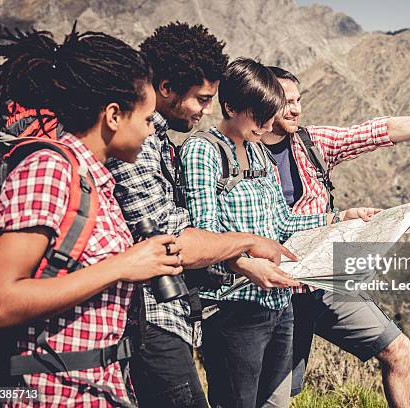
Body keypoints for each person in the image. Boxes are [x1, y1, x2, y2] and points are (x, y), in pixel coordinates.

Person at [261, 66, 410, 408]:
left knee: (398, 350)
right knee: (276, 396)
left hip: (325, 284)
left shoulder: (312, 143)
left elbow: (376, 131)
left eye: (298, 100)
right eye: (286, 102)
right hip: (275, 289)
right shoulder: (244, 153)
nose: (295, 109)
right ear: (263, 102)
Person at [0, 26, 182, 407]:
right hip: (50, 396)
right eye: (147, 118)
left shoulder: (94, 181)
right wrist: (123, 266)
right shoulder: (49, 170)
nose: (151, 131)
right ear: (114, 116)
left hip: (96, 393)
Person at [106, 23, 297, 408]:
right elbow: (175, 238)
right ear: (166, 89)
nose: (207, 110)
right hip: (147, 315)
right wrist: (247, 245)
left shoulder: (159, 141)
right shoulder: (139, 146)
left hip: (168, 314)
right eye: (201, 99)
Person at [181, 57, 377, 408]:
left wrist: (340, 218)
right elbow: (203, 234)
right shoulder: (203, 151)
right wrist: (243, 264)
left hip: (279, 305)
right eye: (260, 115)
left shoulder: (259, 152)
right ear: (230, 107)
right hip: (234, 309)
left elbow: (283, 224)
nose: (268, 123)